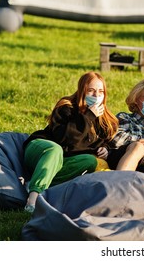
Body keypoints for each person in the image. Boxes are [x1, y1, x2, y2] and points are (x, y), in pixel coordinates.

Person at [23, 71, 119, 212]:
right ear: (82, 91)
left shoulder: (102, 118)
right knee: (55, 150)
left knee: (90, 161)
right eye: (91, 91)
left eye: (100, 92)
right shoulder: (66, 107)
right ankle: (33, 199)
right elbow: (65, 139)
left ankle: (34, 183)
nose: (96, 96)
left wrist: (104, 148)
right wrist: (88, 117)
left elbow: (100, 141)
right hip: (42, 151)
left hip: (62, 161)